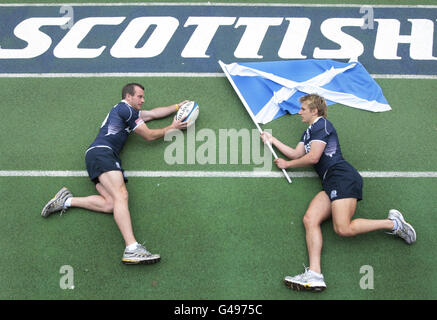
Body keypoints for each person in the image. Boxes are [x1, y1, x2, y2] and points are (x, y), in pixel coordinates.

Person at [260, 93, 416, 292]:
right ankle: (315, 274)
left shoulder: (322, 126)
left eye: (303, 109)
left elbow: (314, 157)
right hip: (330, 182)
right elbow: (296, 153)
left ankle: (394, 224)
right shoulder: (308, 133)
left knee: (342, 228)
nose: (299, 112)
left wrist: (288, 165)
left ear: (314, 111)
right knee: (310, 219)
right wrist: (271, 140)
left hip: (342, 177)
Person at [41, 83, 188, 265]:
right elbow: (149, 136)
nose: (143, 100)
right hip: (103, 153)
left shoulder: (129, 112)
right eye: (140, 96)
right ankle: (132, 248)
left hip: (96, 156)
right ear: (128, 96)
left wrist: (177, 107)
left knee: (112, 204)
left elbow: (153, 114)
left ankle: (66, 200)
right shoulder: (125, 110)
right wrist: (172, 127)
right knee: (121, 195)